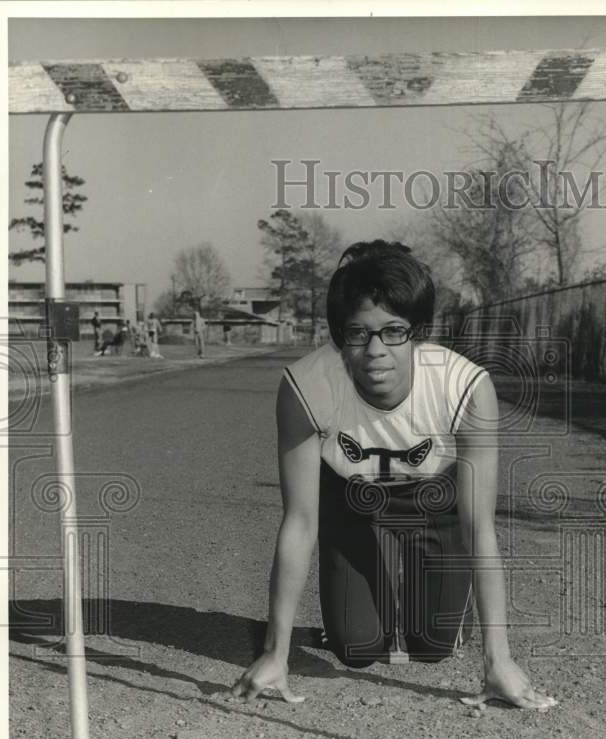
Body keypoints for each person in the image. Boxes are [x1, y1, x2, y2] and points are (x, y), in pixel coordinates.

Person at [232, 240, 556, 711]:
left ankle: (454, 613)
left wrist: (498, 660)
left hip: (436, 500)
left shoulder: (465, 387)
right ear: (340, 337)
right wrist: (275, 654)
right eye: (358, 334)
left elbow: (479, 527)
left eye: (394, 331)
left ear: (418, 332)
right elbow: (300, 522)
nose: (376, 350)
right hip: (351, 497)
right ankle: (353, 597)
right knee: (358, 649)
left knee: (434, 648)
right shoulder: (305, 387)